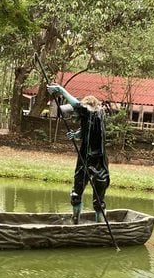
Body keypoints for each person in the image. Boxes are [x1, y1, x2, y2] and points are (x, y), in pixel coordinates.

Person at [46, 83, 110, 224]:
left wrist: (60, 90)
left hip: (98, 162)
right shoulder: (89, 118)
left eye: (77, 113)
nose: (74, 116)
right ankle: (75, 222)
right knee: (76, 193)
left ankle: (101, 228)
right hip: (83, 160)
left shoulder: (97, 113)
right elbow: (86, 129)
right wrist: (76, 135)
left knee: (98, 201)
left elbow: (78, 105)